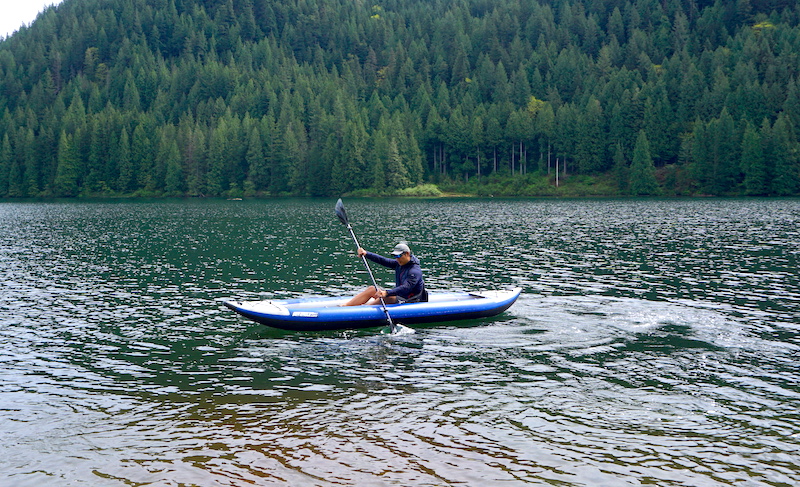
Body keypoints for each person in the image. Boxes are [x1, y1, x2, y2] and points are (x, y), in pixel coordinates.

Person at [343, 242, 427, 306]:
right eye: (395, 256)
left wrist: (387, 293)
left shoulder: (414, 271)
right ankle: (345, 306)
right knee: (372, 289)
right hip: (400, 297)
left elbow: (406, 288)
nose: (397, 259)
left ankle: (362, 310)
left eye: (399, 256)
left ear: (407, 254)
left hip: (410, 300)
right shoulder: (400, 263)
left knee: (385, 297)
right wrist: (366, 254)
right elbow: (383, 260)